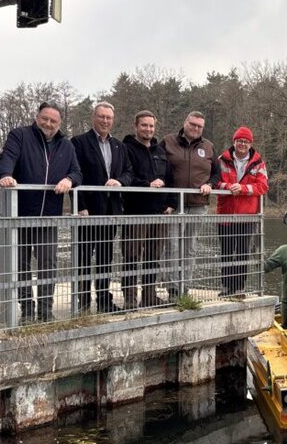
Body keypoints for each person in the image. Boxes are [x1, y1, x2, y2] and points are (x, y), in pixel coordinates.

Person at [0, 102, 82, 323]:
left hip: (49, 216)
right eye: (45, 119)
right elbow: (7, 157)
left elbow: (77, 172)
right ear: (37, 118)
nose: (48, 124)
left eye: (53, 121)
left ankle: (45, 312)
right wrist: (5, 174)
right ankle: (27, 310)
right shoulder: (20, 136)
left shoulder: (66, 145)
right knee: (21, 264)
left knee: (48, 264)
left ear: (59, 124)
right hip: (21, 214)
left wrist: (69, 179)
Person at [71, 102, 133, 313]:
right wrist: (80, 206)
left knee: (105, 258)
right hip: (87, 212)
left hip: (110, 211)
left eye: (109, 117)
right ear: (93, 118)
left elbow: (128, 172)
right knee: (83, 258)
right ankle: (82, 304)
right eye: (102, 117)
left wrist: (120, 181)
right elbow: (74, 174)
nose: (105, 121)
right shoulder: (79, 142)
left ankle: (104, 302)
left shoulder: (119, 146)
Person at [160, 111, 220, 299]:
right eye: (193, 124)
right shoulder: (168, 142)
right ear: (185, 122)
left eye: (199, 126)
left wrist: (210, 185)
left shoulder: (208, 146)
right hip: (173, 205)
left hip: (197, 205)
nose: (195, 128)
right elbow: (158, 167)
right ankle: (173, 290)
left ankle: (185, 288)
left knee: (190, 248)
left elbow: (217, 174)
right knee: (172, 247)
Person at [121, 110, 175, 309]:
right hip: (135, 211)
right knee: (131, 256)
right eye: (144, 125)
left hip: (158, 213)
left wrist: (171, 203)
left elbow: (170, 179)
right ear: (136, 126)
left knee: (153, 256)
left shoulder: (160, 151)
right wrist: (147, 185)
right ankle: (129, 298)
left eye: (151, 126)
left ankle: (150, 296)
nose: (148, 129)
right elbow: (126, 176)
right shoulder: (126, 149)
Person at [215, 126, 268, 298]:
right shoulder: (222, 160)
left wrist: (243, 188)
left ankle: (239, 288)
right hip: (226, 215)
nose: (242, 144)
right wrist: (228, 187)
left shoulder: (258, 163)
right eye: (239, 141)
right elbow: (215, 181)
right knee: (226, 252)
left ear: (250, 143)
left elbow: (263, 186)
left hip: (247, 216)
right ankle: (226, 287)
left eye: (245, 141)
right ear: (234, 142)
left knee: (242, 253)